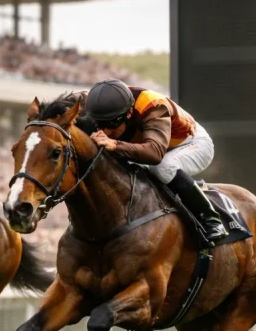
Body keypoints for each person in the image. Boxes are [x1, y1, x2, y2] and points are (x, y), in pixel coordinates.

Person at [84, 79, 226, 243]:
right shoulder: (95, 102)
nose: (104, 132)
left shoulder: (153, 105)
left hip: (192, 144)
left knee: (163, 167)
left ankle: (210, 218)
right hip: (150, 146)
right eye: (98, 125)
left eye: (110, 125)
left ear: (128, 114)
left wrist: (115, 144)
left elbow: (155, 154)